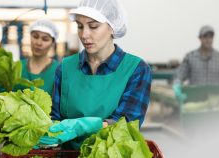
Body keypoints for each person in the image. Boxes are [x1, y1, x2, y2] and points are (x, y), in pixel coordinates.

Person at [38, 0, 152, 149]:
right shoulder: (65, 67)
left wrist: (85, 126)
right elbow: (55, 117)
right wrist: (48, 135)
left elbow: (127, 124)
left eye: (93, 26)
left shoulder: (136, 69)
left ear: (112, 27)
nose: (84, 35)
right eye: (79, 26)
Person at [173, 25, 219, 103]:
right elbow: (179, 75)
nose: (208, 40)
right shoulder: (190, 57)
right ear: (199, 38)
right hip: (195, 99)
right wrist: (177, 85)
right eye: (205, 37)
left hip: (216, 100)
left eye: (211, 37)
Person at [19, 19, 59, 96]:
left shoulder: (59, 70)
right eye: (35, 36)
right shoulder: (18, 67)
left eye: (45, 39)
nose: (38, 43)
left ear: (52, 43)